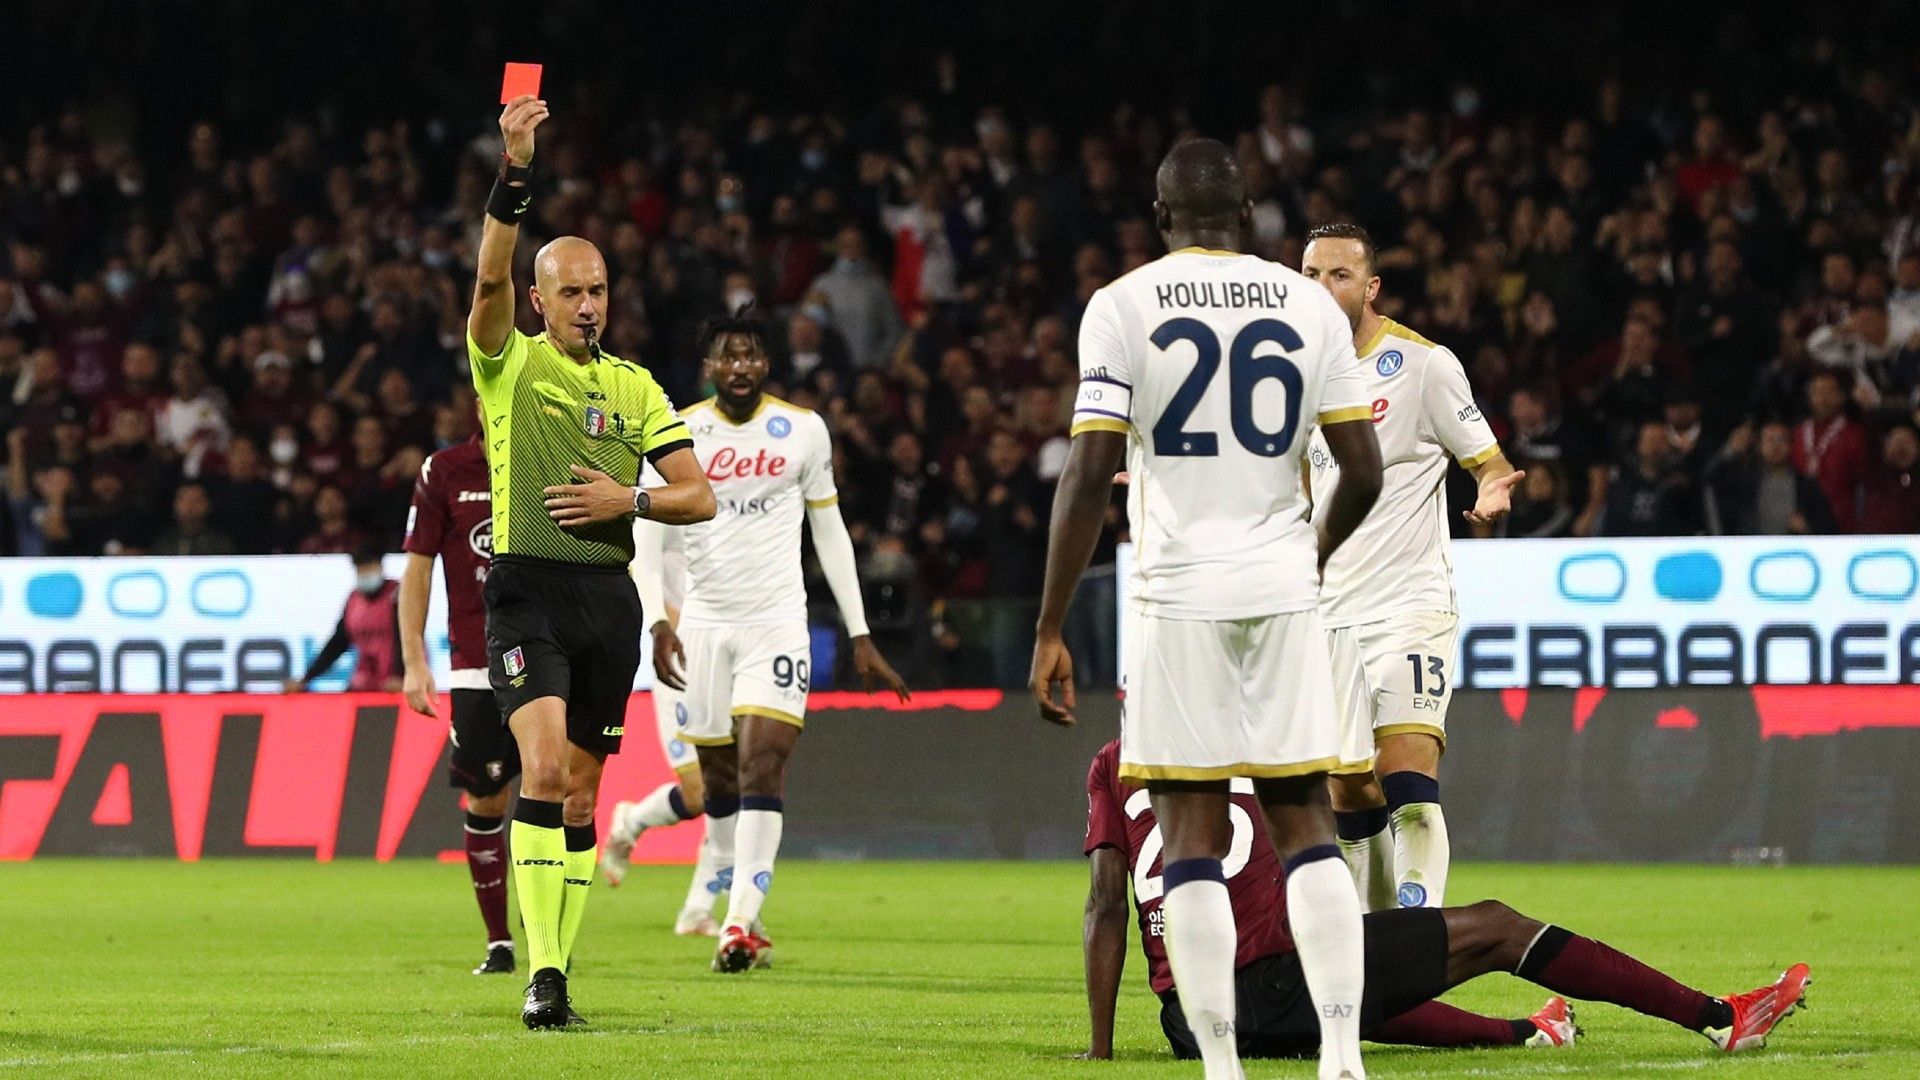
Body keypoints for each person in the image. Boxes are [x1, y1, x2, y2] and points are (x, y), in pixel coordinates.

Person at [1031, 138, 1384, 1080]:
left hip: (1175, 595)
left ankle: (1222, 1067)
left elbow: (1092, 470)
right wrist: (1308, 556)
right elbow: (1364, 470)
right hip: (1281, 589)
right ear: (1248, 213)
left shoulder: (1122, 304)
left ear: (1157, 214)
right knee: (1305, 818)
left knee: (1188, 832)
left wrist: (1050, 625)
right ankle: (1343, 1056)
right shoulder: (1308, 303)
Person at [1078, 741, 1812, 1061]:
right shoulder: (1256, 739)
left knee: (1350, 978)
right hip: (1269, 982)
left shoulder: (1113, 761)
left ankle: (1528, 1032)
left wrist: (1104, 1047)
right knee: (1494, 927)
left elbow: (1105, 905)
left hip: (1191, 1018)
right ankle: (1720, 1018)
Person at [466, 95, 715, 1028]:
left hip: (608, 598)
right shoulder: (510, 364)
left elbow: (699, 494)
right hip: (526, 589)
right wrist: (515, 172)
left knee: (579, 791)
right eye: (568, 291)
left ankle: (557, 961)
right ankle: (543, 977)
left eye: (598, 289)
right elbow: (487, 284)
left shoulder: (636, 386)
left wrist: (628, 500)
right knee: (537, 768)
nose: (586, 304)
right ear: (539, 301)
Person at [610, 307, 910, 974]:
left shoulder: (803, 431)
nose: (739, 367)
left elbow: (828, 531)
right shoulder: (677, 432)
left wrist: (859, 632)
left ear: (765, 364)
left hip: (776, 623)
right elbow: (646, 537)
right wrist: (656, 622)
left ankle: (740, 923)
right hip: (702, 628)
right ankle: (728, 905)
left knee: (762, 766)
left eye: (750, 355)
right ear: (708, 366)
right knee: (717, 782)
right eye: (726, 356)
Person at [1298, 223, 1523, 914]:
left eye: (1337, 275)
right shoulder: (1293, 378)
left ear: (1370, 288)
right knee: (1348, 791)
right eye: (1309, 274)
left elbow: (1488, 461)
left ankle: (1418, 928)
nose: (1320, 288)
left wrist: (1490, 490)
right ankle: (1373, 941)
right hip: (1327, 616)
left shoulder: (1423, 364)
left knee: (1406, 777)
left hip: (1408, 607)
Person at [398, 401, 521, 976]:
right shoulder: (445, 471)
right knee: (488, 799)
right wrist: (414, 661)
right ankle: (500, 941)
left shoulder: (558, 459)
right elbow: (418, 566)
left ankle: (553, 940)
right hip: (478, 666)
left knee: (568, 796)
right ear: (477, 400)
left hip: (555, 660)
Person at [285, 542, 403, 693]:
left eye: (369, 567)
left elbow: (407, 639)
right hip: (366, 681)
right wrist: (306, 678)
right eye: (361, 569)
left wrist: (401, 676)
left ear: (380, 566)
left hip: (396, 683)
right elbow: (337, 643)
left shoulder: (397, 595)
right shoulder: (354, 600)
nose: (365, 574)